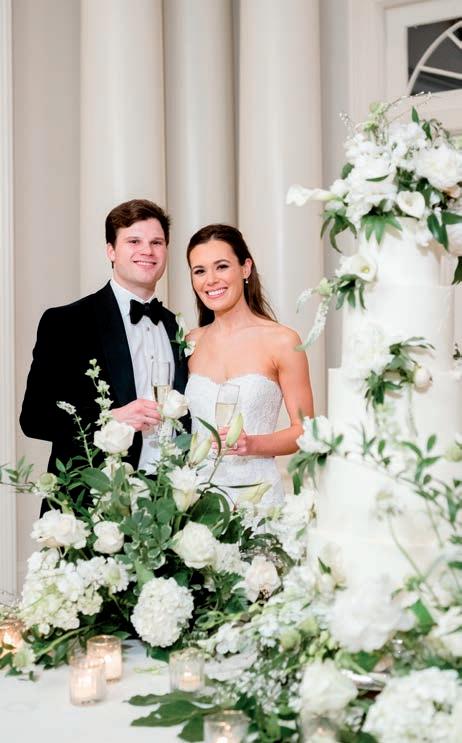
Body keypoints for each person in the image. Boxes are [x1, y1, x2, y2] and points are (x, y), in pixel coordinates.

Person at [20, 199, 188, 483]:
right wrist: (112, 418)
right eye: (134, 241)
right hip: (93, 496)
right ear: (111, 250)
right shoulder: (66, 322)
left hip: (168, 497)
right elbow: (35, 419)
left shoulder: (176, 326)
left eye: (157, 243)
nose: (147, 251)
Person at [185, 223, 314, 508]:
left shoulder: (283, 341)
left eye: (221, 267)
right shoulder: (190, 343)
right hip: (196, 502)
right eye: (200, 271)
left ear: (245, 268)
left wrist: (251, 444)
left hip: (258, 499)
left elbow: (304, 430)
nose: (211, 280)